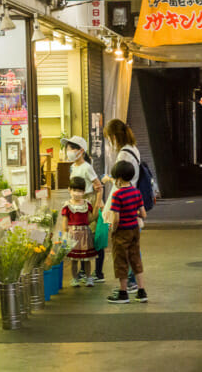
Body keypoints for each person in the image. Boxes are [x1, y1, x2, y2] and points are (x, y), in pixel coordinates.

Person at [102, 119, 142, 288]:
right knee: (133, 245)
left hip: (123, 207)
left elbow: (121, 182)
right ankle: (136, 284)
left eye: (108, 138)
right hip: (132, 205)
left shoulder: (124, 154)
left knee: (123, 248)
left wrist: (108, 179)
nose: (109, 142)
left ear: (113, 137)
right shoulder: (134, 149)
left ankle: (127, 285)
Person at [62, 136, 105, 282]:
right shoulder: (73, 166)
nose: (68, 151)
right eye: (67, 148)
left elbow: (99, 187)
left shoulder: (87, 167)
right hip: (77, 203)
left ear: (81, 151)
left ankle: (98, 273)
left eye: (71, 148)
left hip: (88, 202)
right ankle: (82, 272)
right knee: (80, 239)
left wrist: (97, 206)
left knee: (93, 238)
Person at [105, 160, 147, 304]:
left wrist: (113, 228)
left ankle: (123, 293)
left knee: (121, 261)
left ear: (119, 178)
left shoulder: (117, 195)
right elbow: (143, 214)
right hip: (134, 230)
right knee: (136, 259)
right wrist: (132, 213)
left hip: (121, 231)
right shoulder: (136, 192)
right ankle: (142, 291)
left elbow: (115, 218)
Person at [61, 177, 99, 286]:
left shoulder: (87, 204)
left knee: (87, 259)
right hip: (72, 234)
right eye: (75, 190)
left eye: (80, 191)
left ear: (84, 192)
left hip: (85, 233)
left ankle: (89, 278)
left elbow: (90, 218)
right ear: (69, 190)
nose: (77, 193)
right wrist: (65, 235)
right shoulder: (67, 205)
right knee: (74, 259)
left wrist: (97, 206)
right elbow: (65, 221)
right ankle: (75, 278)